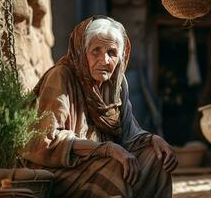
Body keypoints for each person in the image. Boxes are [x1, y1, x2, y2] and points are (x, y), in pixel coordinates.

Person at [21, 15, 178, 198]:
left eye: (112, 52)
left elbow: (129, 133)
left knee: (157, 158)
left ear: (120, 56)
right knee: (116, 169)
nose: (104, 60)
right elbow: (45, 140)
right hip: (59, 167)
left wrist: (153, 140)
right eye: (96, 51)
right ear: (82, 52)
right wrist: (107, 149)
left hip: (100, 160)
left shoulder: (116, 83)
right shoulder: (61, 76)